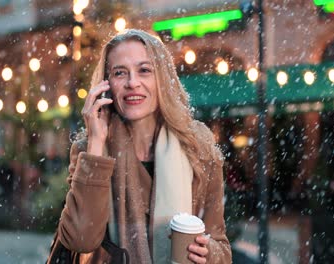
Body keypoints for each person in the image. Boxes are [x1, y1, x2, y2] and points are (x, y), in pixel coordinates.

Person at [48, 29, 231, 263]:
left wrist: (208, 253)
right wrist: (96, 143)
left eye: (144, 70)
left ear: (162, 79)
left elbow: (221, 246)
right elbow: (80, 239)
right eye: (119, 73)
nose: (132, 83)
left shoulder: (197, 147)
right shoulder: (90, 149)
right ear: (106, 85)